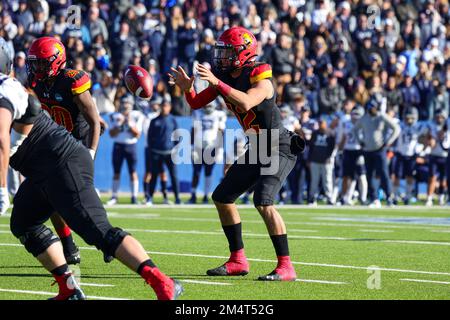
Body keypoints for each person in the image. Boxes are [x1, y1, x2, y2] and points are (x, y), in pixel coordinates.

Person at [0, 39, 183, 300]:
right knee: (24, 223)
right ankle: (69, 288)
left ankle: (163, 283)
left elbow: (2, 138)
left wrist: (2, 187)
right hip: (43, 168)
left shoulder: (7, 90)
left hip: (62, 160)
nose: (36, 68)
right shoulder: (25, 87)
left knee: (98, 231)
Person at [169, 27, 305, 281]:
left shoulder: (260, 76)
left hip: (278, 145)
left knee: (263, 201)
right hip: (257, 147)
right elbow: (196, 103)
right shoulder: (225, 76)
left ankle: (286, 266)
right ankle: (237, 260)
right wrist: (188, 88)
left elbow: (245, 102)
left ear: (243, 52)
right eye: (221, 51)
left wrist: (216, 82)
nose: (221, 57)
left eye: (227, 51)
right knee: (222, 196)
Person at [26, 36, 103, 265]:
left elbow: (95, 121)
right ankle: (68, 244)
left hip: (77, 145)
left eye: (42, 62)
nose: (37, 68)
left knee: (83, 204)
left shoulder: (72, 79)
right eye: (35, 62)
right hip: (55, 144)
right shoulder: (36, 81)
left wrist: (90, 152)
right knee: (49, 196)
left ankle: (107, 241)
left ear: (57, 61)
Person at [353, 94, 401, 208]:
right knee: (369, 174)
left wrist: (388, 141)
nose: (371, 110)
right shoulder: (364, 118)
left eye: (373, 108)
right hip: (367, 150)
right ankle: (374, 198)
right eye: (370, 108)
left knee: (384, 173)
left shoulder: (382, 117)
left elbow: (396, 128)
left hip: (380, 149)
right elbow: (355, 130)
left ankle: (389, 197)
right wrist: (360, 141)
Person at [107, 94, 144, 205]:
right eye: (123, 103)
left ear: (131, 104)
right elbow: (112, 134)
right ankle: (114, 197)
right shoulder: (114, 115)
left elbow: (137, 134)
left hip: (131, 145)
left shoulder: (137, 115)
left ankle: (134, 197)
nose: (125, 105)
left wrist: (129, 123)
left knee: (133, 172)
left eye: (127, 103)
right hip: (118, 145)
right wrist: (120, 124)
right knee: (116, 172)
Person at [189, 103, 226, 204]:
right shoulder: (197, 113)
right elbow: (193, 129)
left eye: (209, 106)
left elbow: (221, 133)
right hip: (198, 147)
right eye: (205, 106)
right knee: (196, 172)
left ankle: (205, 195)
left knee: (208, 173)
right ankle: (193, 195)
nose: (207, 108)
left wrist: (220, 149)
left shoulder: (219, 115)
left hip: (211, 148)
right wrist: (191, 146)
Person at [147, 98, 181, 205]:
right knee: (154, 176)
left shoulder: (173, 120)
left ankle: (177, 198)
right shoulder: (154, 120)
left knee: (173, 176)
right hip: (157, 153)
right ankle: (150, 198)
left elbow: (178, 136)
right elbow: (150, 137)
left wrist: (175, 149)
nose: (164, 108)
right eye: (163, 106)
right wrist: (153, 149)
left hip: (170, 153)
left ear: (169, 107)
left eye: (166, 106)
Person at [338, 105, 368, 205]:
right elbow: (343, 137)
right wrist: (340, 150)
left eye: (357, 114)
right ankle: (345, 197)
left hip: (359, 151)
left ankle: (363, 198)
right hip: (348, 151)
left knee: (361, 176)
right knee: (347, 176)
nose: (355, 117)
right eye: (353, 114)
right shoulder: (346, 123)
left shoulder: (364, 125)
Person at [393, 107, 422, 204]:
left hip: (412, 155)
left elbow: (424, 138)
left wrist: (420, 150)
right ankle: (396, 196)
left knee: (410, 176)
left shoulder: (418, 126)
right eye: (407, 118)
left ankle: (408, 196)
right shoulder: (399, 125)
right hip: (400, 153)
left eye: (411, 118)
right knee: (396, 175)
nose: (409, 120)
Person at [421, 109, 449, 206]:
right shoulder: (431, 126)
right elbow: (426, 140)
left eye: (441, 117)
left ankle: (442, 197)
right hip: (434, 155)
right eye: (437, 116)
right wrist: (428, 142)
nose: (439, 119)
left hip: (445, 155)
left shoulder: (447, 127)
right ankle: (429, 197)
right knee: (432, 177)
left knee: (443, 179)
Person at [308, 117, 337, 206]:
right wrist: (309, 159)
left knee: (327, 180)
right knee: (314, 180)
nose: (321, 124)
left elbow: (332, 148)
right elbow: (311, 147)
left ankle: (329, 198)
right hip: (315, 160)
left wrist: (329, 158)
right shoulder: (315, 133)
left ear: (326, 123)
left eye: (322, 122)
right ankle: (312, 198)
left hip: (326, 161)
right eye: (319, 122)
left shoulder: (330, 133)